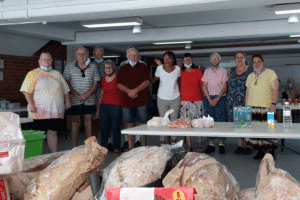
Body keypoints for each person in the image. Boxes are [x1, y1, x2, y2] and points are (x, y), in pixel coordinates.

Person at [20, 52, 71, 153]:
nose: (46, 61)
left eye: (48, 59)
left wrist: (68, 102)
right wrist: (31, 103)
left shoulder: (57, 74)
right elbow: (26, 90)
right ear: (39, 61)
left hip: (55, 111)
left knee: (53, 133)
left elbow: (66, 89)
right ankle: (35, 156)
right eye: (44, 59)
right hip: (39, 111)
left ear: (51, 61)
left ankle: (54, 155)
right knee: (38, 135)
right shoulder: (32, 73)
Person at [63, 47, 100, 147]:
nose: (81, 56)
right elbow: (66, 82)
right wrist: (77, 95)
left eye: (84, 54)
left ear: (87, 56)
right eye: (79, 54)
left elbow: (96, 83)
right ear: (76, 56)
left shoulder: (93, 66)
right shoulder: (69, 66)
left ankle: (89, 148)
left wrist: (86, 94)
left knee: (89, 123)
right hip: (74, 99)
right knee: (75, 123)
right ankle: (74, 147)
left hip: (89, 100)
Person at [245, 54, 278, 160]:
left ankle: (271, 152)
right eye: (254, 62)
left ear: (263, 62)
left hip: (268, 107)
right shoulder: (250, 76)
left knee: (270, 130)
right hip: (253, 108)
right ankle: (260, 152)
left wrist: (273, 104)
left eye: (259, 61)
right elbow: (247, 92)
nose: (256, 64)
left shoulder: (270, 73)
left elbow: (275, 89)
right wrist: (246, 107)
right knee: (256, 131)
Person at [117, 47, 151, 150]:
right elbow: (118, 84)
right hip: (127, 101)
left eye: (135, 55)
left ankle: (143, 147)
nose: (133, 57)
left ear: (138, 56)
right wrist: (129, 91)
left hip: (141, 100)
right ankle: (131, 147)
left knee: (142, 123)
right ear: (127, 56)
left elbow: (147, 81)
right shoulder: (122, 68)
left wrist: (135, 90)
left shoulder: (143, 67)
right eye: (131, 55)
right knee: (129, 124)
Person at [151, 51, 181, 145]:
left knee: (173, 122)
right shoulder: (159, 68)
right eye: (165, 58)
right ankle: (163, 144)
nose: (167, 60)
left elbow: (180, 82)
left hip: (175, 98)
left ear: (173, 60)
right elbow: (153, 80)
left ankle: (173, 143)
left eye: (169, 58)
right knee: (163, 121)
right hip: (162, 98)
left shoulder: (177, 69)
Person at [227, 52, 253, 154]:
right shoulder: (231, 70)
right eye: (237, 57)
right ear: (235, 59)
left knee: (246, 124)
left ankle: (249, 145)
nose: (239, 59)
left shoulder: (250, 70)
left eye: (241, 57)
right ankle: (240, 145)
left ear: (245, 58)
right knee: (237, 124)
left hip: (245, 100)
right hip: (232, 101)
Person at [202, 53, 228, 154]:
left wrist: (217, 98)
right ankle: (211, 144)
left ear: (219, 60)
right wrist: (209, 99)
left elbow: (224, 87)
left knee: (221, 120)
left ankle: (221, 144)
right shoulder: (207, 71)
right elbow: (204, 86)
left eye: (216, 59)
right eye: (212, 59)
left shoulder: (223, 71)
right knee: (209, 121)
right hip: (209, 98)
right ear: (210, 61)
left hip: (220, 98)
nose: (214, 61)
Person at [179, 53, 204, 152]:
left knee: (199, 123)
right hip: (185, 101)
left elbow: (202, 85)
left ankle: (200, 145)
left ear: (192, 60)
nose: (187, 61)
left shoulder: (197, 70)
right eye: (185, 59)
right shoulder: (180, 70)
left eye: (189, 59)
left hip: (197, 101)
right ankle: (189, 145)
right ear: (182, 61)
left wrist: (203, 97)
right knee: (186, 124)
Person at [96, 60, 122, 155]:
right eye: (106, 67)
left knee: (115, 126)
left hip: (116, 105)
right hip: (104, 105)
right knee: (104, 127)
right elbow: (102, 94)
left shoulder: (119, 77)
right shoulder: (103, 79)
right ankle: (104, 148)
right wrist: (98, 108)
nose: (108, 69)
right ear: (104, 69)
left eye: (110, 67)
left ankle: (116, 148)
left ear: (113, 68)